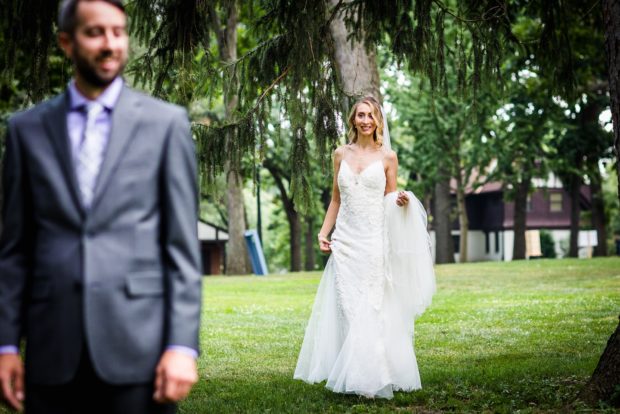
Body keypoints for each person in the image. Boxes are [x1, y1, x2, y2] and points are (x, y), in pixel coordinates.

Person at [0, 1, 202, 413]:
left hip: (140, 351)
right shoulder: (26, 130)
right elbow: (15, 251)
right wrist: (5, 344)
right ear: (66, 42)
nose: (110, 44)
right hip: (51, 350)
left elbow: (181, 248)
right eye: (95, 33)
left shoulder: (167, 125)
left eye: (118, 32)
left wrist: (182, 345)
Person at [294, 96, 436, 399]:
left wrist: (401, 201)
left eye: (370, 115)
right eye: (360, 115)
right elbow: (336, 198)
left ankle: (370, 380)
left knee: (370, 307)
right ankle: (356, 374)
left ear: (378, 121)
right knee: (348, 306)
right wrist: (324, 232)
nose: (365, 120)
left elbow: (389, 196)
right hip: (345, 240)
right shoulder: (340, 154)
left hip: (373, 240)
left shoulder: (388, 157)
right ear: (353, 120)